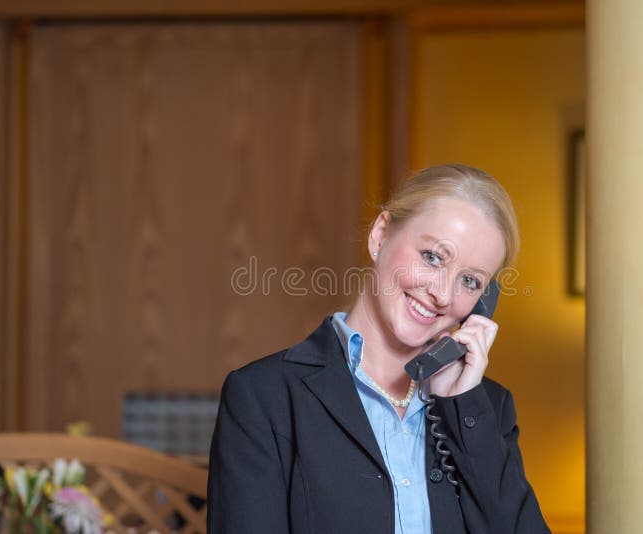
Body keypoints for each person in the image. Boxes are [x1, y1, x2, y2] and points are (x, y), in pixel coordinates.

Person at [207, 164, 550, 533]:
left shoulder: (486, 410)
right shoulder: (264, 396)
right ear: (380, 236)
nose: (443, 294)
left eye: (470, 281)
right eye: (433, 257)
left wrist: (463, 410)